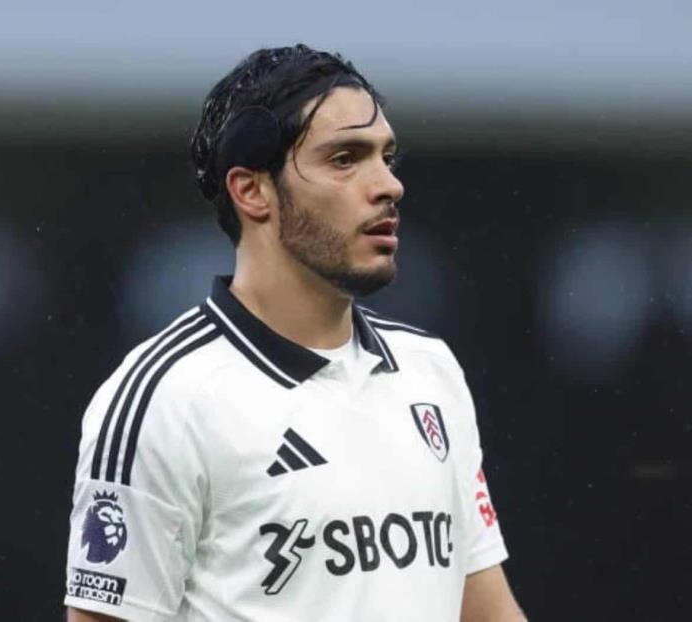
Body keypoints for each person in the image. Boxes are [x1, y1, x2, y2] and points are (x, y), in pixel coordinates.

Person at [65, 44, 526, 621]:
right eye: (344, 159)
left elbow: (486, 610)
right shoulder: (166, 399)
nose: (388, 185)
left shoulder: (429, 371)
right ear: (251, 190)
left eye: (386, 157)